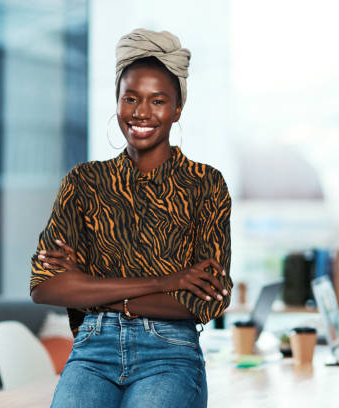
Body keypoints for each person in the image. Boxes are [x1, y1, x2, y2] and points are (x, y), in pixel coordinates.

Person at [29, 28, 232, 408]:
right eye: (130, 98)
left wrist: (91, 287)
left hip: (169, 351)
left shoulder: (205, 184)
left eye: (158, 100)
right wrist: (165, 281)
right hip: (93, 349)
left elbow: (204, 302)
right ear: (118, 102)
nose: (141, 112)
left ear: (177, 109)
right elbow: (45, 286)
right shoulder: (84, 182)